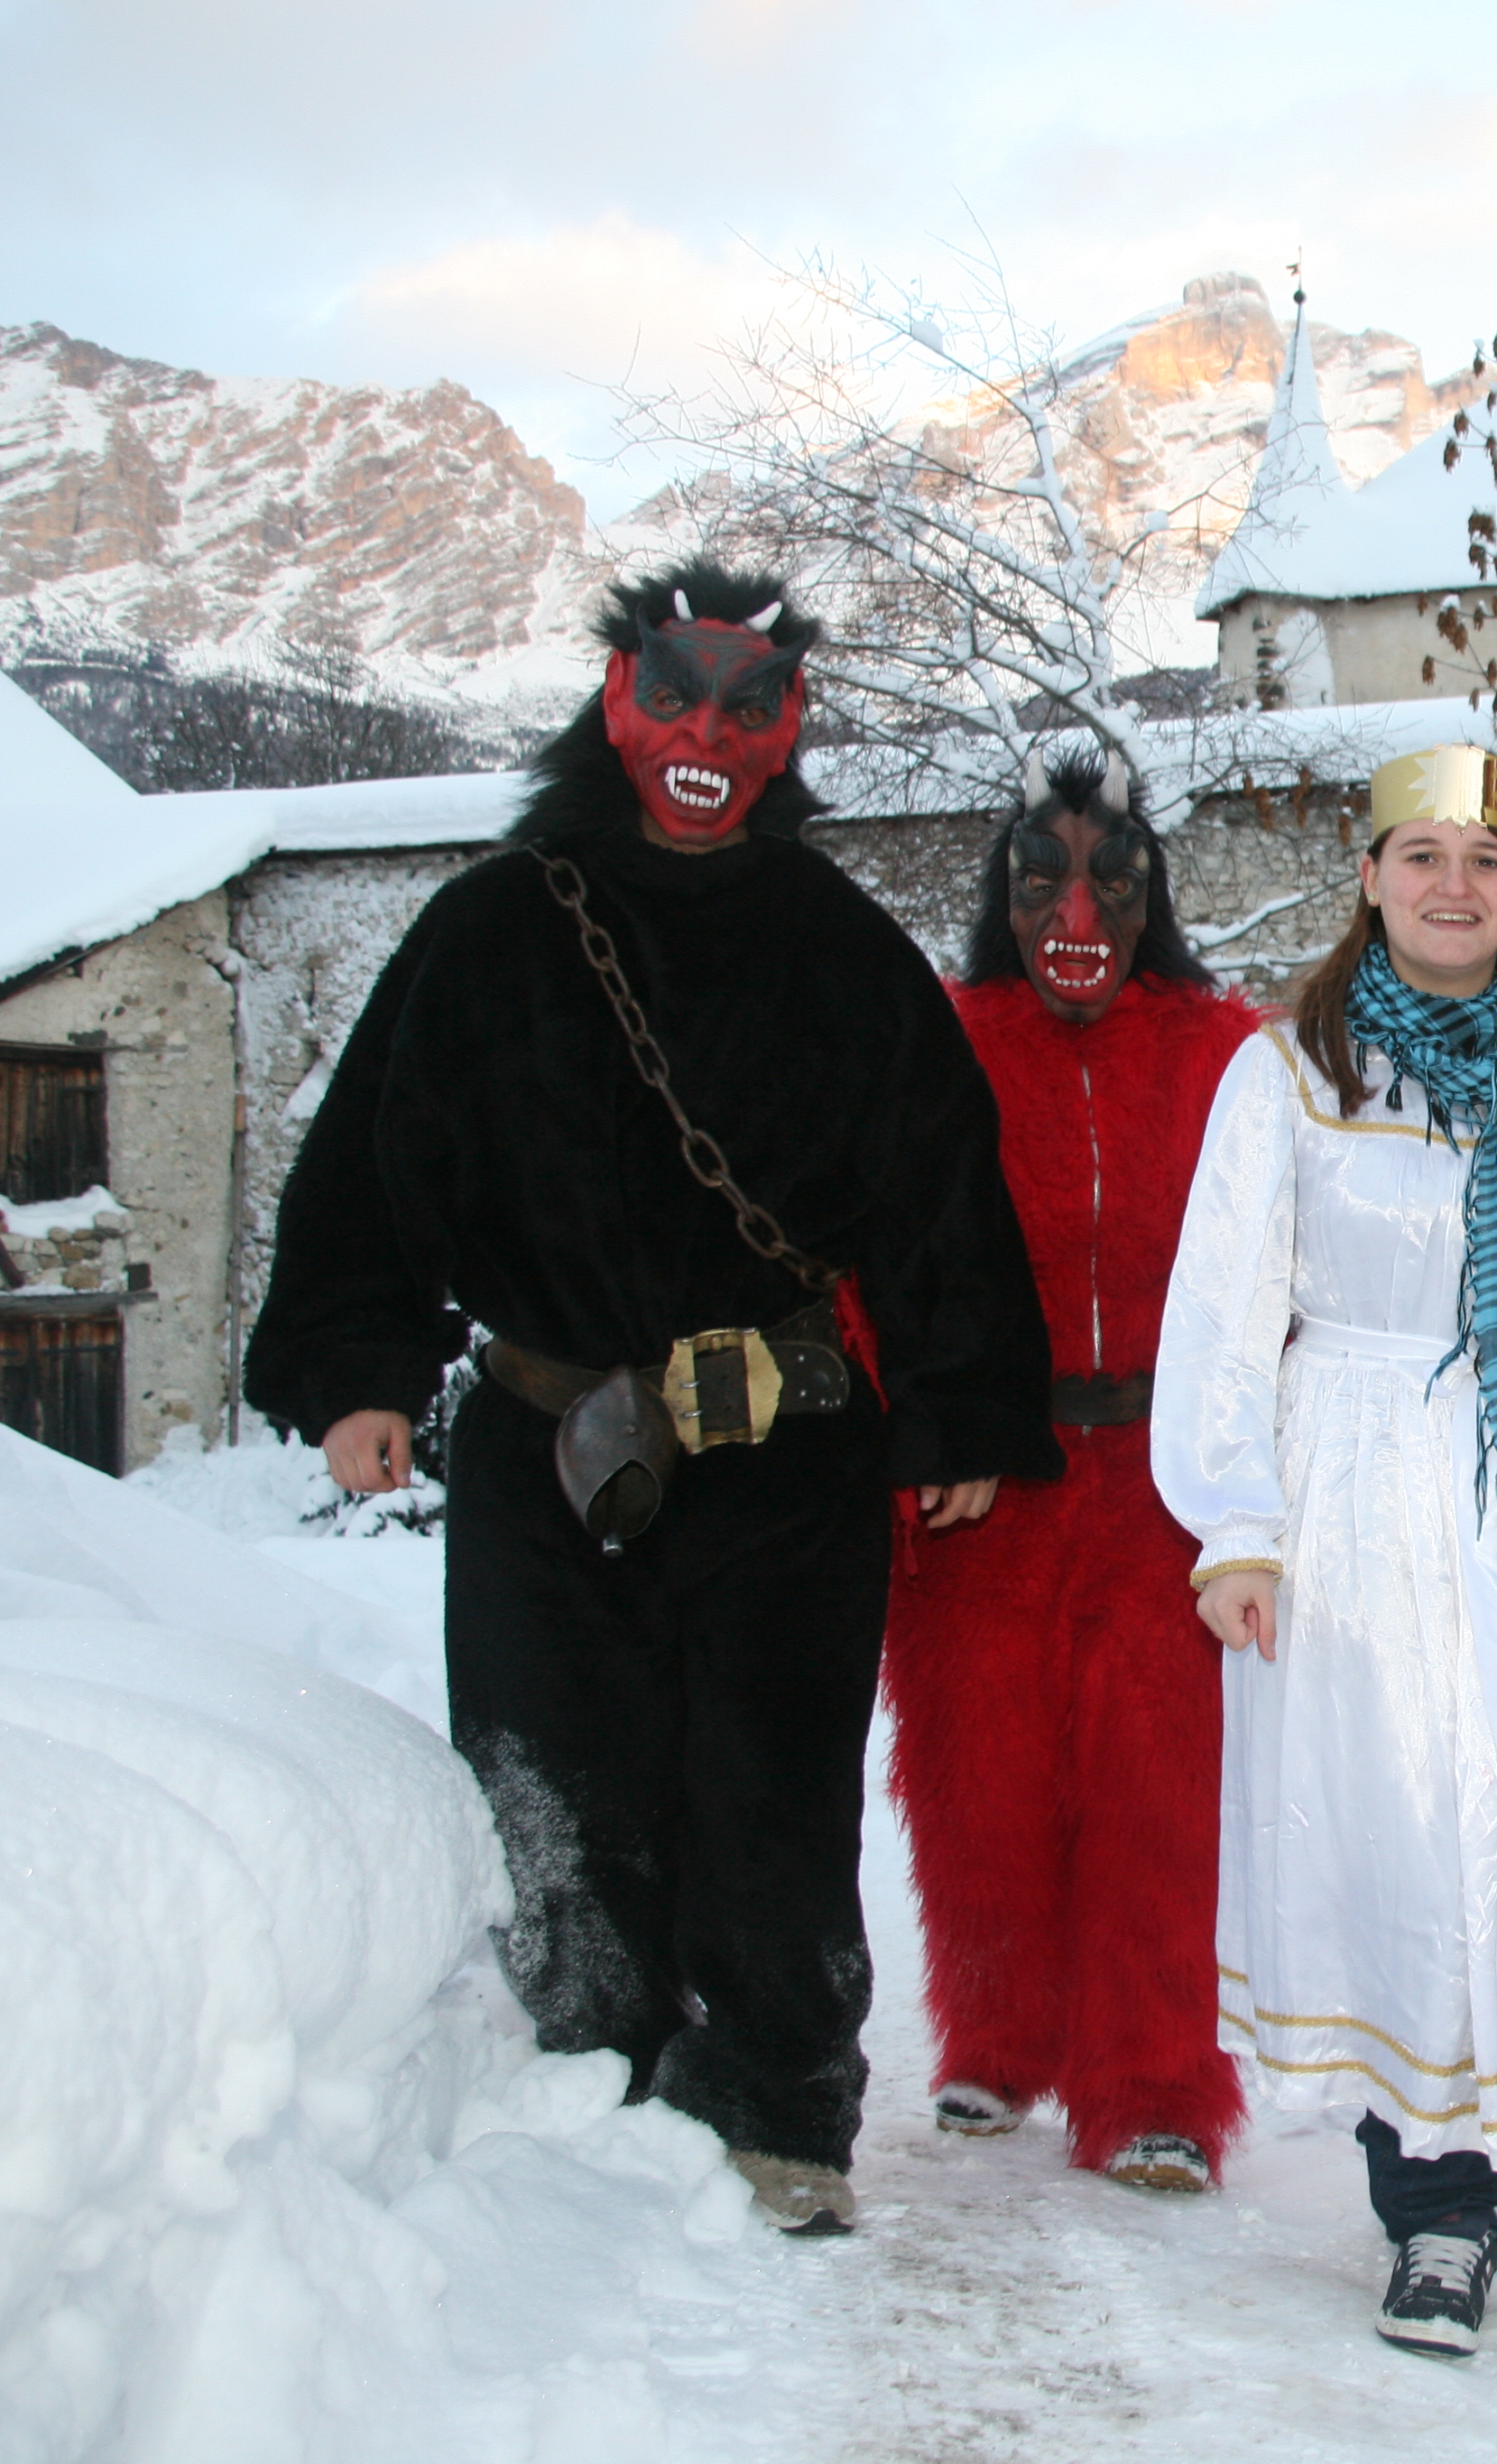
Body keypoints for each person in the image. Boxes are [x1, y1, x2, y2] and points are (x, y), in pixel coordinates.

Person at [245, 561, 1057, 2239]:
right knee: (559, 1779)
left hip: (781, 1454)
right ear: (616, 703)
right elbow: (372, 1164)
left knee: (774, 1790)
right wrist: (355, 1369)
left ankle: (776, 2109)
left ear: (787, 729)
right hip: (547, 1450)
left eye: (747, 703)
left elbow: (939, 1188)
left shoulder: (837, 947)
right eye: (673, 693)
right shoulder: (491, 927)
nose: (706, 732)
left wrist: (965, 1405)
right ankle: (588, 2096)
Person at [1149, 743, 1497, 2358]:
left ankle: (1447, 2163)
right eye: (1423, 855)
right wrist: (1232, 1527)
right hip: (1357, 1485)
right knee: (1408, 1827)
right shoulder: (1293, 1069)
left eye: (1487, 860)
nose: (1456, 885)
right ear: (1371, 877)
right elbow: (1227, 1313)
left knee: (1491, 1842)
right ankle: (1440, 2211)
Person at [883, 745, 1263, 2191]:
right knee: (977, 1773)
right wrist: (923, 1426)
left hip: (1167, 1485)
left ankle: (1156, 2082)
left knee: (1160, 1791)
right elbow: (887, 1256)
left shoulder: (1226, 1054)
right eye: (1041, 883)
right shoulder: (943, 1047)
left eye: (1111, 880)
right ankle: (995, 2037)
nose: (1077, 913)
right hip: (994, 1479)